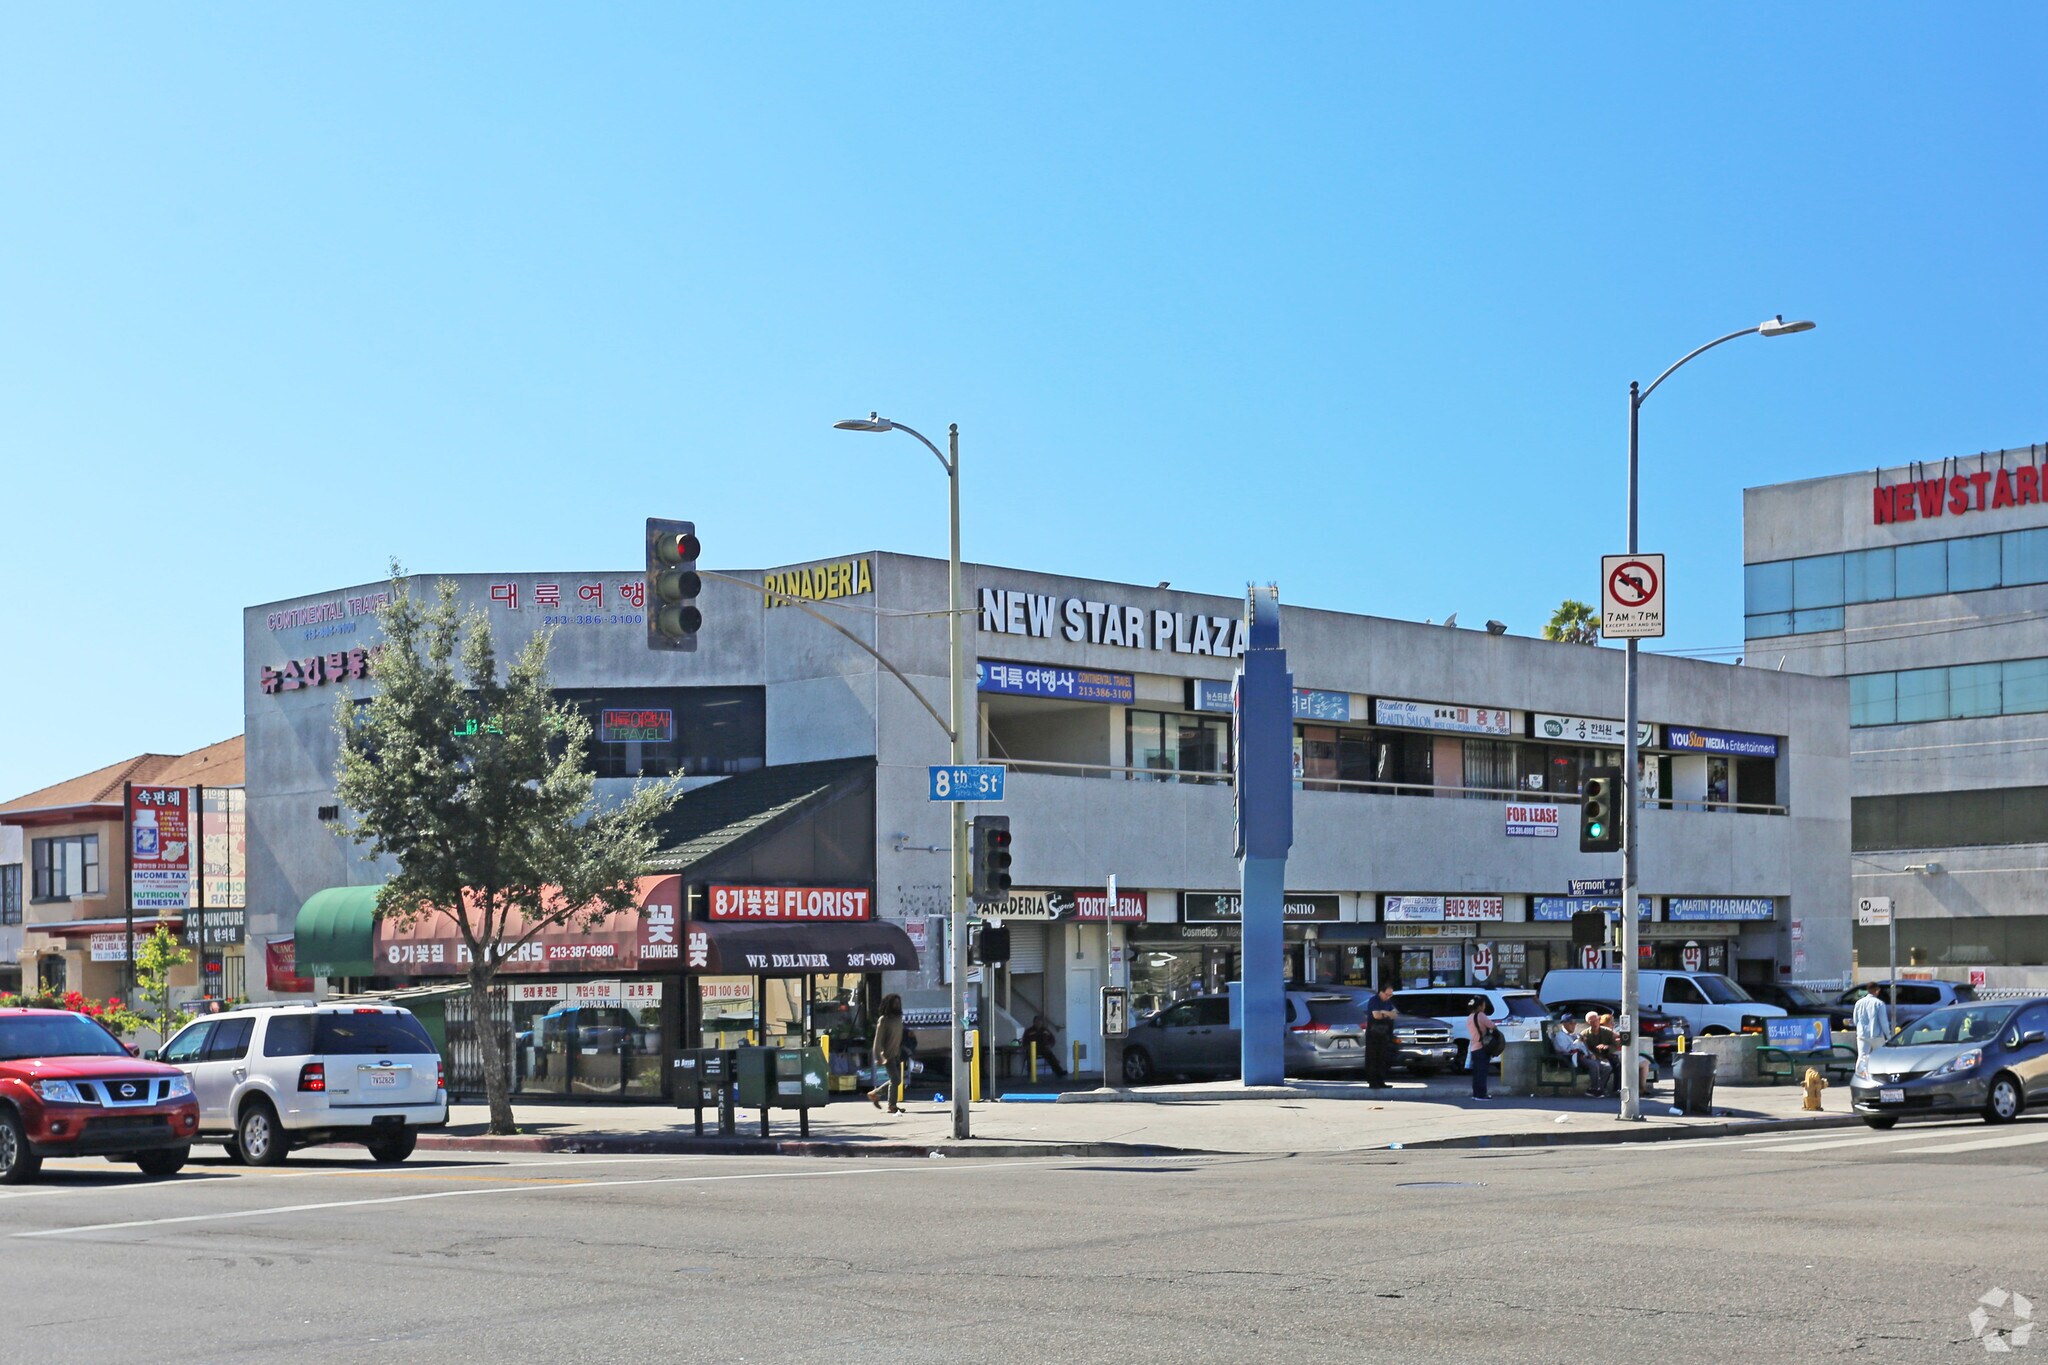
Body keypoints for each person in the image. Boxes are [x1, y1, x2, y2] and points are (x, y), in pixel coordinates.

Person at [868, 993, 907, 1113]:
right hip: (887, 1056)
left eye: (898, 1003)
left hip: (896, 1054)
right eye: (894, 1003)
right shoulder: (884, 1020)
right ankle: (892, 1105)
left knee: (897, 1080)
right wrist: (878, 1056)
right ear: (889, 1004)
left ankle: (875, 1093)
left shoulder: (898, 1018)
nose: (897, 1005)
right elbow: (877, 1040)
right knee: (895, 1080)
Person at [1363, 984, 1400, 1088]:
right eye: (1387, 994)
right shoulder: (1374, 1000)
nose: (1388, 997)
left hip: (1385, 1033)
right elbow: (1376, 1015)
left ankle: (1381, 1080)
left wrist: (1383, 1012)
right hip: (1373, 1033)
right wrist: (1386, 1014)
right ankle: (1372, 1081)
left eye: (1390, 995)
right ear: (1381, 992)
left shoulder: (1388, 1002)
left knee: (1383, 1058)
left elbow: (1395, 1015)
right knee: (1373, 1057)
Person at [1583, 1010, 1618, 1098]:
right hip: (1593, 1057)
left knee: (1614, 1065)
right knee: (1603, 1066)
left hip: (1607, 1055)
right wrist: (1592, 1053)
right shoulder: (1585, 1034)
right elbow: (1584, 1048)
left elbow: (1614, 1045)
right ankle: (1598, 1089)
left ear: (1599, 1020)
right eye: (1592, 1022)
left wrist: (1607, 1047)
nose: (1595, 1023)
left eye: (1596, 1021)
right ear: (1588, 1023)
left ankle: (1600, 1089)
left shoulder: (1607, 1031)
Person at [1466, 999, 1496, 1100]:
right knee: (1482, 1072)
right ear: (1479, 1006)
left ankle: (1476, 1094)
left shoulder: (1469, 1017)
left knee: (1476, 1073)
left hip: (1474, 1048)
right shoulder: (1481, 1015)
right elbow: (1492, 1025)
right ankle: (1482, 1094)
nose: (1484, 1007)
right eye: (1483, 1005)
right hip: (1482, 1047)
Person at [1852, 988, 1891, 1063]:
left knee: (1862, 1057)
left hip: (1862, 1034)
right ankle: (1878, 1073)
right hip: (1877, 1035)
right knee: (1880, 1058)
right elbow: (1884, 1022)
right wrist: (1888, 1036)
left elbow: (1855, 1020)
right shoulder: (1879, 1003)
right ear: (1877, 991)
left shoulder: (1858, 1003)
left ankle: (1860, 1074)